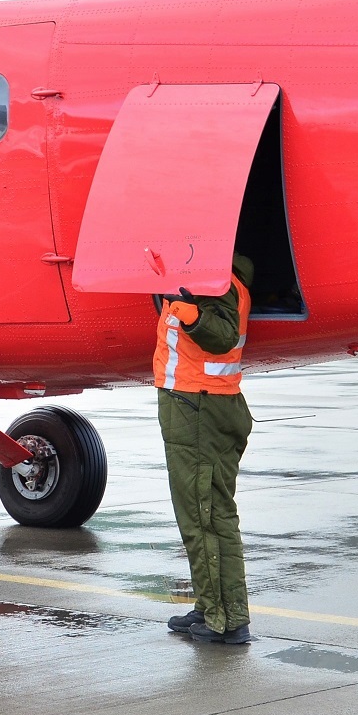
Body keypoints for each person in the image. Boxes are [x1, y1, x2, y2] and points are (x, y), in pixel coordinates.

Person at [160, 255, 257, 645]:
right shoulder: (214, 276)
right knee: (200, 516)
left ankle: (227, 620)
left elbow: (222, 334)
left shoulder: (213, 280)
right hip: (198, 403)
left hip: (198, 407)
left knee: (207, 516)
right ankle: (209, 604)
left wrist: (186, 311)